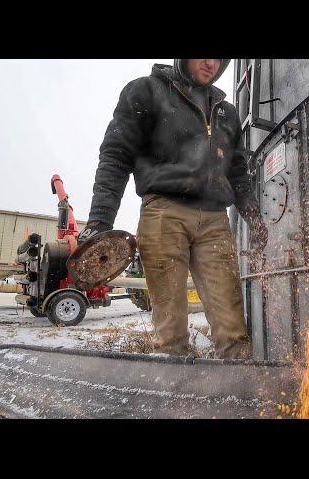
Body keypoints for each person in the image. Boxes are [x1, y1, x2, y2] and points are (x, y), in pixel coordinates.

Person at [78, 59, 268, 359]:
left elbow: (238, 173)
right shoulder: (147, 91)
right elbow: (116, 156)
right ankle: (173, 390)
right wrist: (100, 221)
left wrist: (255, 218)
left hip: (215, 221)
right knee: (170, 329)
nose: (211, 63)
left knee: (232, 328)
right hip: (164, 213)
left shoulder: (226, 113)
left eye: (220, 58)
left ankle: (235, 389)